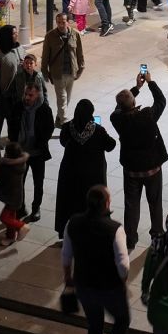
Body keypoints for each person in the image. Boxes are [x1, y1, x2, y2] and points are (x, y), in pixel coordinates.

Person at [62, 184, 131, 334]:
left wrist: (68, 279)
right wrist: (123, 281)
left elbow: (66, 254)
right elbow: (123, 264)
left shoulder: (73, 223)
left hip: (84, 284)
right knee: (122, 320)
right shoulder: (115, 229)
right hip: (109, 287)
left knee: (95, 326)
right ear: (107, 204)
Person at [110, 72, 168, 249]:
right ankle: (157, 233)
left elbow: (119, 108)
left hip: (131, 170)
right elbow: (161, 101)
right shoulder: (148, 115)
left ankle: (131, 237)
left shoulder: (117, 119)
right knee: (155, 202)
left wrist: (135, 89)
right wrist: (150, 82)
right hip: (152, 168)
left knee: (131, 204)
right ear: (134, 103)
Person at [54, 99, 117, 234]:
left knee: (70, 203)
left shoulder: (67, 128)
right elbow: (111, 145)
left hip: (71, 174)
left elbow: (63, 142)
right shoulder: (98, 130)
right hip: (93, 176)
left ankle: (69, 233)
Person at [11, 78, 54, 223]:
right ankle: (20, 207)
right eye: (26, 94)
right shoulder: (18, 107)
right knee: (19, 182)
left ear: (38, 95)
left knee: (38, 182)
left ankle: (36, 208)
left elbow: (49, 129)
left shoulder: (44, 109)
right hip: (21, 153)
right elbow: (12, 125)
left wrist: (39, 141)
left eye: (31, 95)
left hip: (37, 153)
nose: (27, 98)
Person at [0, 139, 31, 245]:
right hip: (16, 195)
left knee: (4, 217)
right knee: (11, 216)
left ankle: (21, 226)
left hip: (11, 196)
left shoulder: (7, 166)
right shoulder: (21, 162)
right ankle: (10, 237)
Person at [42, 11, 85, 110]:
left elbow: (79, 53)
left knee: (67, 99)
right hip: (58, 74)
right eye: (59, 22)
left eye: (63, 22)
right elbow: (45, 56)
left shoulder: (75, 35)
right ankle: (63, 122)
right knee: (62, 100)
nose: (61, 25)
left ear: (68, 22)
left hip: (71, 72)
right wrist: (45, 72)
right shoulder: (50, 36)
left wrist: (81, 68)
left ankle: (59, 120)